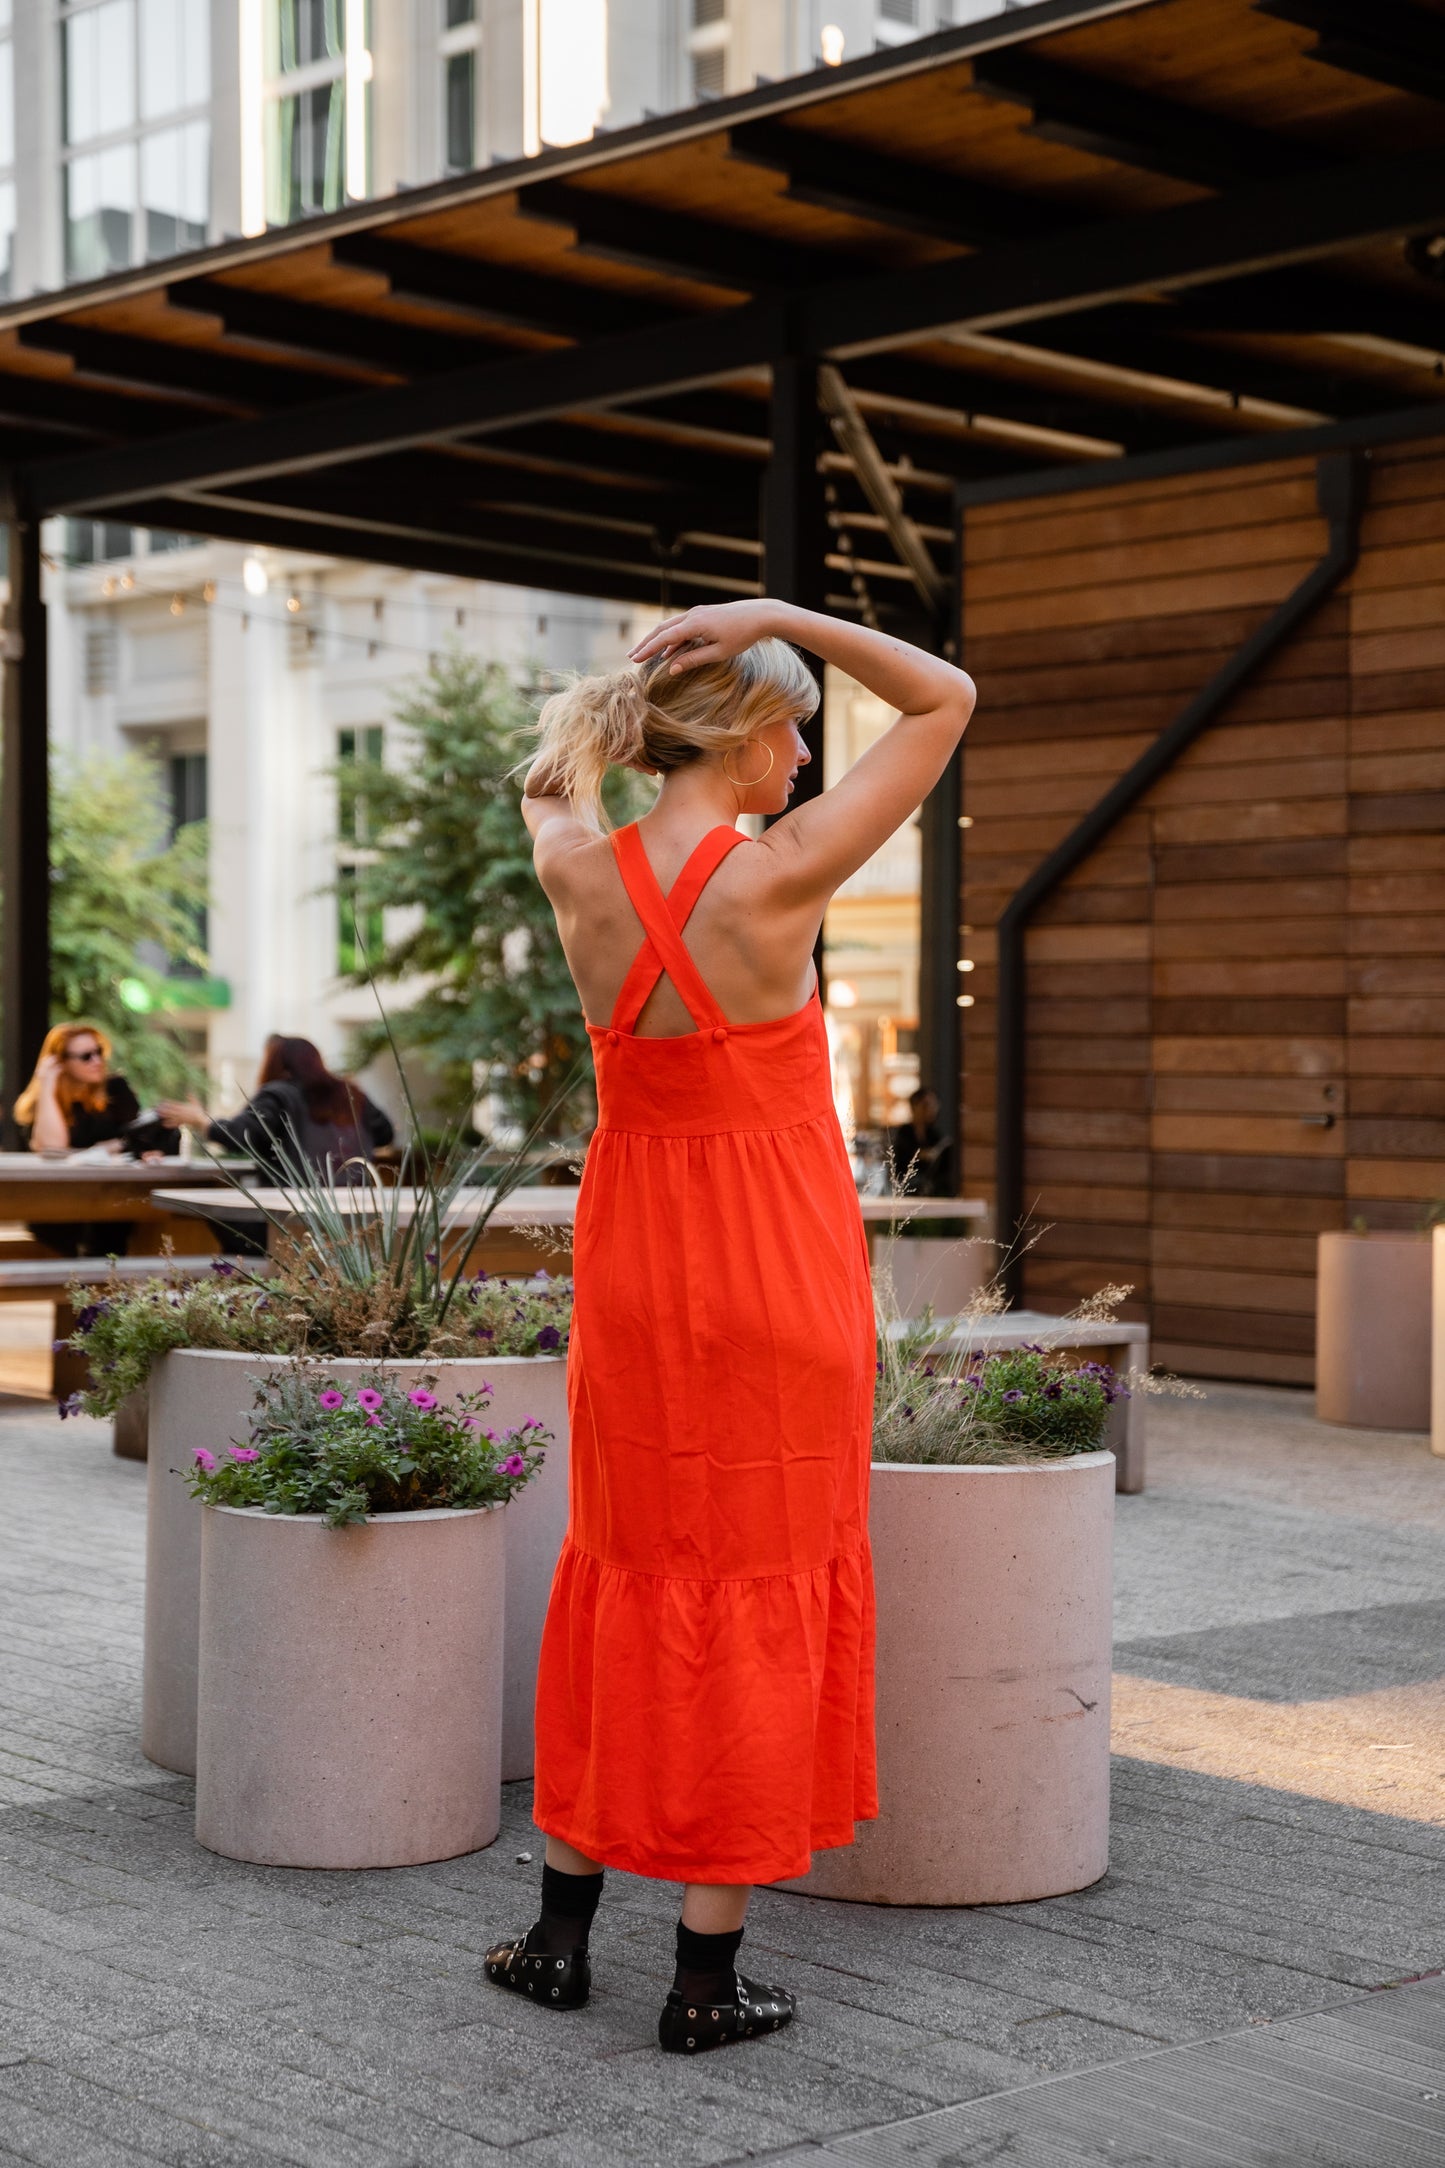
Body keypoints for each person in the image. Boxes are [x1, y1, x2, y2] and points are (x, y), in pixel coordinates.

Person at [487, 597, 974, 2054]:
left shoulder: (577, 868)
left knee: (625, 1565)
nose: (811, 752)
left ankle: (560, 1938)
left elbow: (543, 782)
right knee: (756, 1575)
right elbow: (946, 697)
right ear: (749, 732)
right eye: (798, 724)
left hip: (637, 1262)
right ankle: (704, 1982)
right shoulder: (780, 875)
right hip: (773, 1267)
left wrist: (633, 691)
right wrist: (771, 612)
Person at [14, 1022, 176, 1258]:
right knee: (63, 1233)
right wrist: (47, 1085)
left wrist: (113, 1147)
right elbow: (52, 1147)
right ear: (61, 1062)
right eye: (86, 1056)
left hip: (111, 1200)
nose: (96, 1060)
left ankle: (94, 1288)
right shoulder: (46, 1103)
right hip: (59, 1201)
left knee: (114, 1229)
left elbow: (134, 1139)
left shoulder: (116, 1090)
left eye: (98, 1051)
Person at [159, 1036, 394, 1180]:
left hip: (291, 1214)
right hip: (354, 1214)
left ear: (275, 1063)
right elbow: (385, 1132)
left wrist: (203, 1121)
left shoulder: (279, 1095)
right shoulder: (348, 1092)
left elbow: (244, 1135)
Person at [888, 1085, 954, 1197]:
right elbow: (902, 1158)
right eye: (925, 1105)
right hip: (906, 1189)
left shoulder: (935, 1135)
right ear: (914, 1107)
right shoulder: (903, 1133)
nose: (931, 1110)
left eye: (934, 1105)